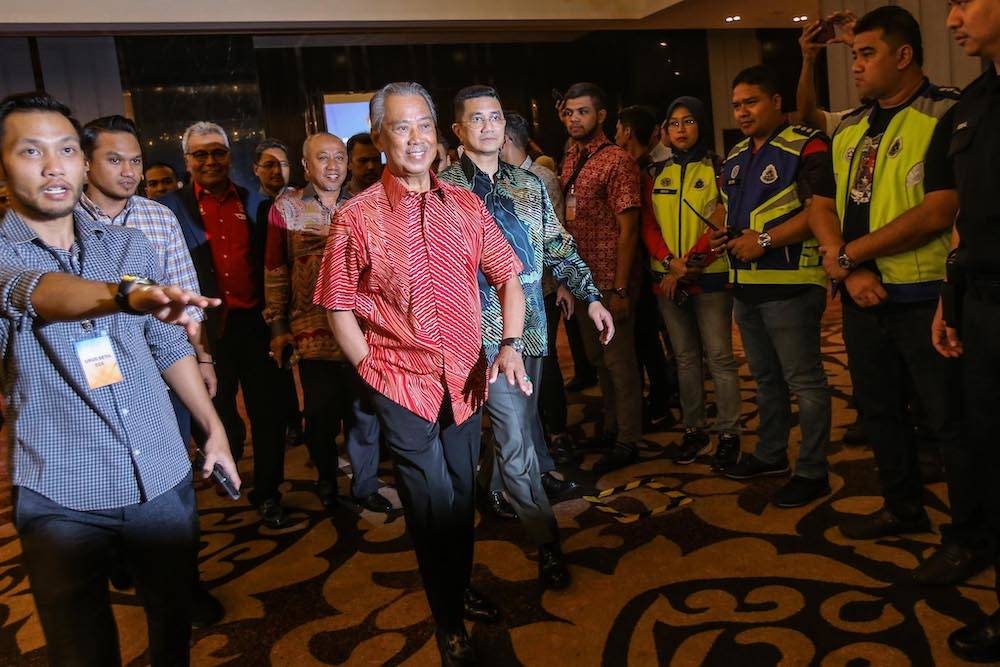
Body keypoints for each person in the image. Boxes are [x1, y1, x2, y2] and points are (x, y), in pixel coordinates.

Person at [0, 91, 239, 666]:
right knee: (82, 651)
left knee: (172, 625)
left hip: (159, 470)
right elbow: (37, 291)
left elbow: (165, 344)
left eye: (64, 151)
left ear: (82, 166)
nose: (53, 166)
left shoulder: (128, 243)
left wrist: (214, 428)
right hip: (61, 490)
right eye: (32, 152)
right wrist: (127, 296)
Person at [315, 81, 528, 665]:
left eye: (424, 127)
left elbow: (508, 275)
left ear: (438, 136)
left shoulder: (464, 204)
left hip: (465, 377)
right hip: (400, 382)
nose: (415, 139)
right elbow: (337, 302)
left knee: (460, 498)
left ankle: (458, 586)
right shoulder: (357, 216)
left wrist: (508, 343)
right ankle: (446, 616)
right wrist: (371, 368)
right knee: (431, 501)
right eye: (401, 128)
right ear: (381, 137)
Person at [809, 6, 988, 587]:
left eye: (867, 54)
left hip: (923, 295)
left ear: (903, 55)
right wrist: (846, 266)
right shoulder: (851, 127)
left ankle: (968, 535)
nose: (856, 65)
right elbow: (822, 203)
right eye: (854, 55)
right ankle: (901, 505)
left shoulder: (946, 110)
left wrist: (852, 257)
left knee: (948, 421)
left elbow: (940, 210)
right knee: (879, 410)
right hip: (862, 294)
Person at [441, 85, 612, 589]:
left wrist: (591, 294)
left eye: (496, 117)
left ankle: (488, 489)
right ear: (458, 131)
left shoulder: (528, 185)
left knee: (520, 421)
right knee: (519, 438)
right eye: (477, 119)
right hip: (479, 335)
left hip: (532, 328)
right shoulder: (442, 190)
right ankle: (546, 542)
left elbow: (557, 245)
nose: (489, 127)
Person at [75, 113, 225, 626]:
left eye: (135, 160)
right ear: (86, 161)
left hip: (163, 370)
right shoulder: (64, 220)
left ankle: (186, 585)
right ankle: (121, 556)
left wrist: (201, 358)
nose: (129, 171)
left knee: (175, 482)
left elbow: (188, 304)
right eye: (114, 160)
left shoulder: (157, 218)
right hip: (90, 382)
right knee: (106, 476)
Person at [161, 121, 292, 528]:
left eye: (217, 151)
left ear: (230, 155)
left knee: (268, 414)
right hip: (202, 332)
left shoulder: (258, 203)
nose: (210, 160)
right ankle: (224, 465)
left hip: (255, 325)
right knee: (215, 412)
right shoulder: (169, 208)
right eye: (200, 154)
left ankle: (268, 492)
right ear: (187, 161)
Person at [716, 65, 833, 508]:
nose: (742, 112)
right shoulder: (735, 156)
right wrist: (724, 235)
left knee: (805, 382)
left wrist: (763, 240)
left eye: (751, 102)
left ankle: (813, 471)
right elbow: (735, 214)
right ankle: (770, 454)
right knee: (765, 380)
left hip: (792, 281)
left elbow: (821, 210)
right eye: (736, 105)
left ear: (776, 102)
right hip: (745, 285)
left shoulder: (806, 144)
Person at [264, 132, 391, 513]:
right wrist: (278, 326)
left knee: (363, 411)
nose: (333, 165)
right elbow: (275, 271)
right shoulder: (285, 209)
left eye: (339, 157)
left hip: (365, 330)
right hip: (313, 331)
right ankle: (325, 477)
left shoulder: (366, 204)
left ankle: (365, 483)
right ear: (306, 166)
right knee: (319, 415)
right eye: (324, 158)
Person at [933, 0, 1000, 660]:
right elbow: (966, 216)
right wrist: (949, 298)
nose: (953, 18)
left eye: (965, 1)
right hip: (980, 304)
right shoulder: (975, 101)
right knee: (989, 452)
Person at [641, 96, 743, 470]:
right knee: (684, 359)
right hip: (667, 281)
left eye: (689, 122)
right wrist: (671, 265)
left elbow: (721, 222)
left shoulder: (718, 168)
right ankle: (694, 429)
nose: (681, 130)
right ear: (665, 131)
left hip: (710, 279)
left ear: (701, 124)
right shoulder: (655, 174)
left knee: (719, 358)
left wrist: (691, 265)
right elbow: (648, 227)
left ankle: (730, 433)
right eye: (673, 123)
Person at [559, 81, 643, 474]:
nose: (574, 119)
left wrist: (622, 288)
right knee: (600, 362)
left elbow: (629, 229)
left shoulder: (617, 161)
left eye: (583, 112)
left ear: (601, 115)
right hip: (582, 280)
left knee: (619, 362)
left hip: (611, 279)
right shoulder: (570, 156)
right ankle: (611, 427)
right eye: (569, 112)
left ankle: (628, 438)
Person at [501, 111, 581, 471]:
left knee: (545, 364)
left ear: (506, 140)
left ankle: (557, 433)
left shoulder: (542, 177)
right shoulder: (500, 178)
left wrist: (564, 281)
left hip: (543, 287)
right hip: (512, 289)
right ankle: (532, 434)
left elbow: (554, 234)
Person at [614, 104, 677, 430]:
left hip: (651, 264)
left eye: (617, 128)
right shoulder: (641, 166)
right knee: (650, 337)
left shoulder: (647, 169)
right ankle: (663, 396)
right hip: (645, 263)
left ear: (626, 131)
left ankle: (662, 400)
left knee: (650, 338)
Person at [343, 132, 382, 198]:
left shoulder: (394, 196)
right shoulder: (336, 202)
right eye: (363, 161)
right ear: (349, 163)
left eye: (375, 160)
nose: (371, 166)